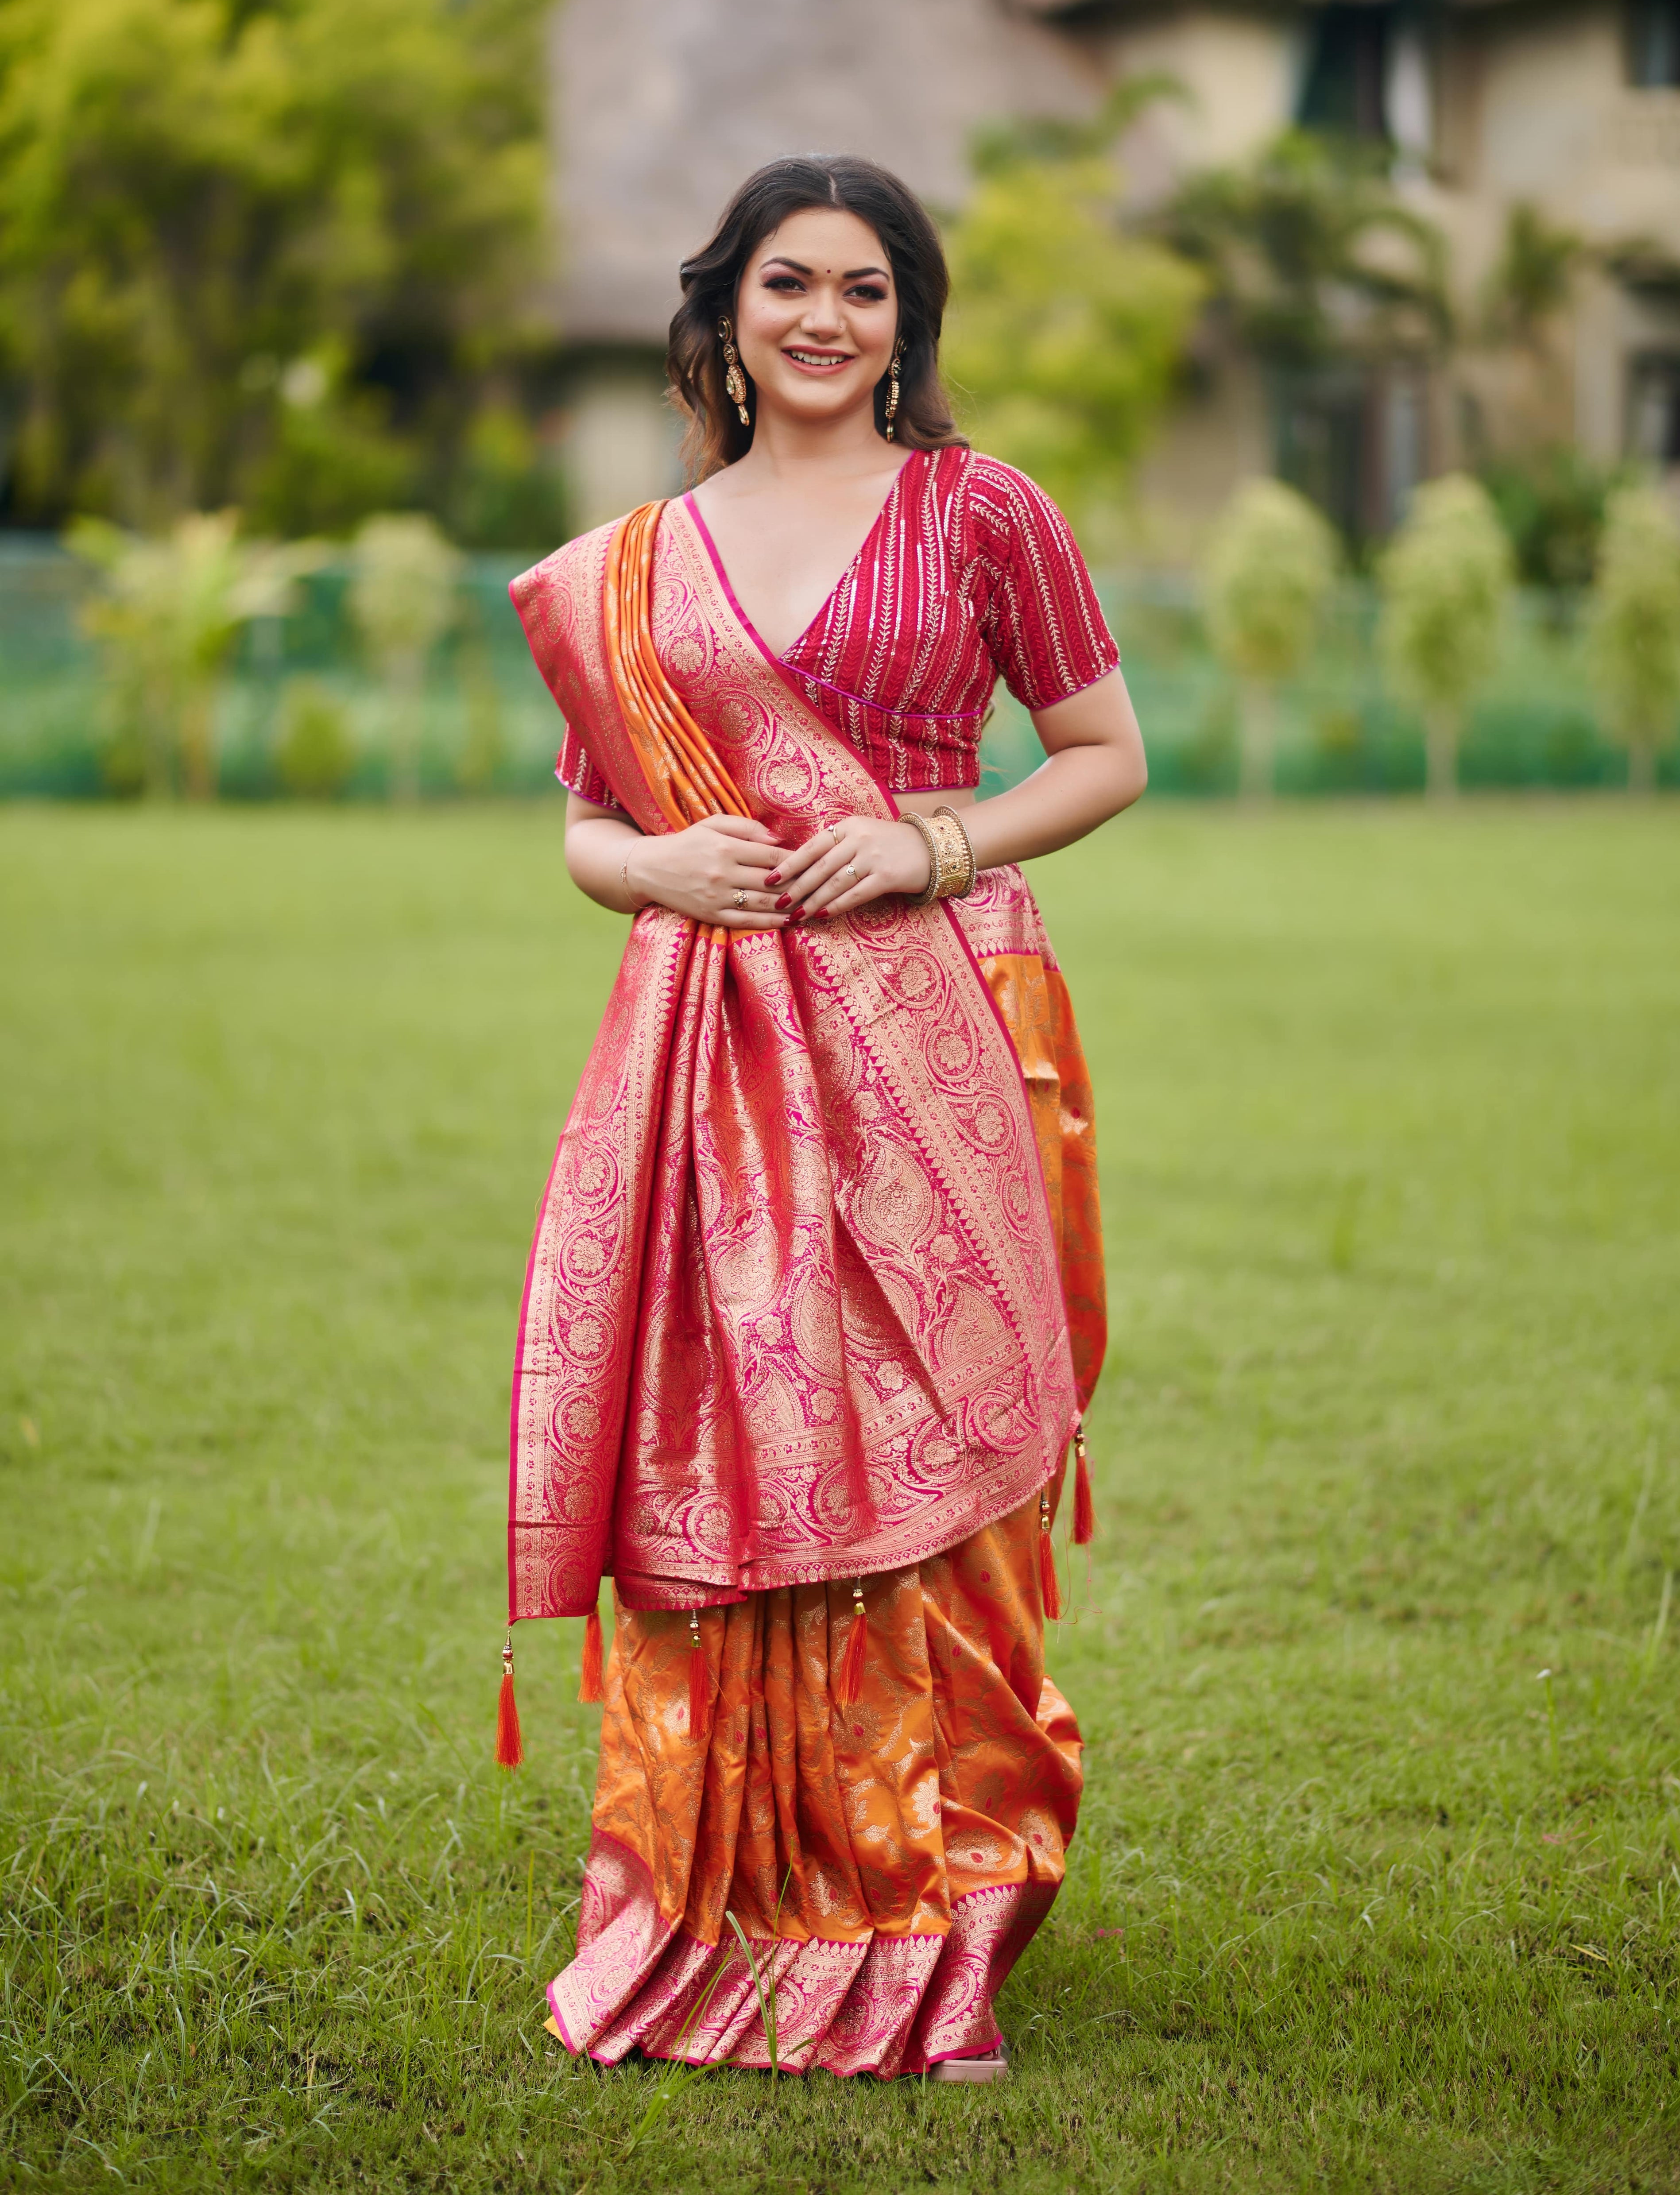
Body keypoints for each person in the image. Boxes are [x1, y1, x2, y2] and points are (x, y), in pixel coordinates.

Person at [506, 154, 1147, 2083]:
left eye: (866, 289)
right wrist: (659, 869)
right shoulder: (643, 559)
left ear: (905, 324)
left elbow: (1106, 754)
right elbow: (586, 827)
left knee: (938, 1434)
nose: (825, 318)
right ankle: (733, 1881)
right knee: (747, 1427)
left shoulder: (984, 510)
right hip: (718, 1042)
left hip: (947, 1014)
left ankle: (946, 1887)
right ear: (725, 312)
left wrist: (929, 843)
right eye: (789, 282)